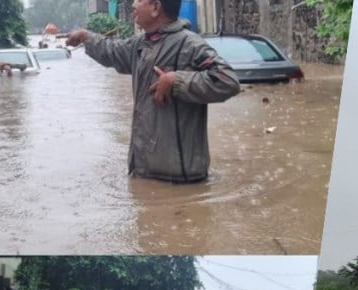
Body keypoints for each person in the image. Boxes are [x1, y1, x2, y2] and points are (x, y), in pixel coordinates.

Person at [65, 0, 240, 183]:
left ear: (155, 8)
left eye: (138, 0)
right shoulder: (141, 44)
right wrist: (86, 37)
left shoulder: (189, 44)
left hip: (181, 182)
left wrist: (176, 80)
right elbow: (112, 51)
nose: (133, 5)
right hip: (143, 173)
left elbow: (227, 80)